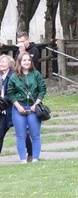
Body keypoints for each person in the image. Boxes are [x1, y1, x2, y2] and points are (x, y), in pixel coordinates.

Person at [7, 52, 47, 163]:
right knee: (21, 135)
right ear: (19, 62)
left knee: (35, 135)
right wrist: (18, 106)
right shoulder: (14, 77)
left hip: (33, 108)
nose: (27, 62)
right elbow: (10, 93)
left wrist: (36, 104)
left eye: (28, 60)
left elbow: (42, 89)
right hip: (19, 108)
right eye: (24, 60)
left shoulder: (36, 74)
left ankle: (35, 158)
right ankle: (23, 160)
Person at [14, 32, 38, 161]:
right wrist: (20, 52)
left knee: (34, 132)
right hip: (20, 101)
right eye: (19, 41)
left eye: (23, 41)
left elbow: (32, 65)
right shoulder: (18, 52)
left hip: (32, 98)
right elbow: (17, 68)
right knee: (21, 133)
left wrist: (24, 52)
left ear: (27, 40)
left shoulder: (34, 50)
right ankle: (25, 157)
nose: (21, 43)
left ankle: (34, 155)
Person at [0, 55, 15, 154]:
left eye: (3, 62)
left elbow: (12, 93)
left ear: (9, 64)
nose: (1, 64)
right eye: (0, 62)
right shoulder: (1, 77)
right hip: (2, 110)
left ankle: (30, 153)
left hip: (12, 109)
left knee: (21, 133)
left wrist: (2, 100)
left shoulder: (13, 76)